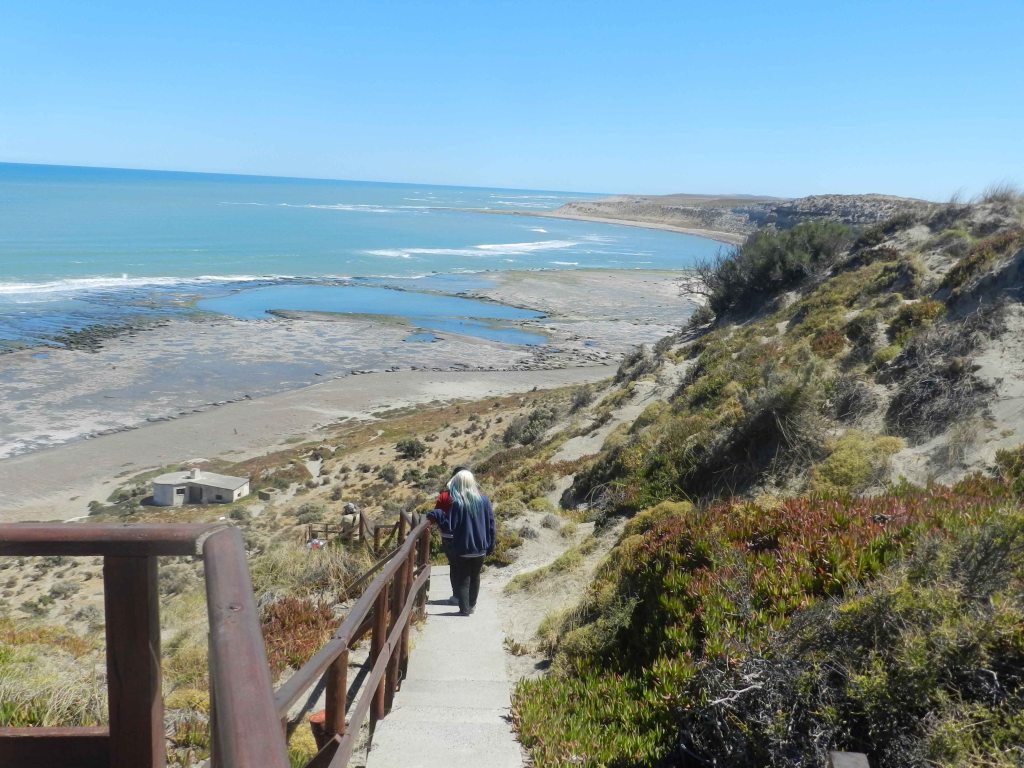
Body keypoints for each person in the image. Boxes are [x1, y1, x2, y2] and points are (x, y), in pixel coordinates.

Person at [427, 468, 495, 616]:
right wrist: (491, 544)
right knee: (475, 576)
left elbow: (449, 526)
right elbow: (491, 525)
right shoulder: (484, 501)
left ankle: (464, 609)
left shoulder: (457, 504)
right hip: (481, 548)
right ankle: (472, 605)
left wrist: (437, 514)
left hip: (463, 548)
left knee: (464, 578)